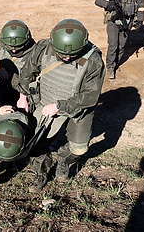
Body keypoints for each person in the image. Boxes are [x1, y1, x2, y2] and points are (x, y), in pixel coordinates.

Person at [14, 19, 105, 193]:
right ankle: (40, 173)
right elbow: (26, 73)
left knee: (78, 149)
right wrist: (23, 96)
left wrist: (59, 106)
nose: (67, 57)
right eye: (61, 54)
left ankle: (64, 159)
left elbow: (90, 96)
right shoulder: (43, 48)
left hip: (78, 107)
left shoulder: (93, 60)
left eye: (72, 54)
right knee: (35, 143)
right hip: (45, 101)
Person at [95, 0, 144, 79]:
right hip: (113, 21)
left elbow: (141, 5)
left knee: (122, 46)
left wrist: (140, 20)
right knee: (113, 45)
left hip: (127, 21)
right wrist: (108, 5)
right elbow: (98, 0)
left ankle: (116, 63)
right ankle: (110, 67)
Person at [0, 20, 36, 106]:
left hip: (23, 97)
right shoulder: (3, 42)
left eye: (17, 47)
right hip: (3, 89)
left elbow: (32, 84)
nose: (14, 50)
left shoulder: (35, 54)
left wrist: (10, 78)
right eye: (10, 47)